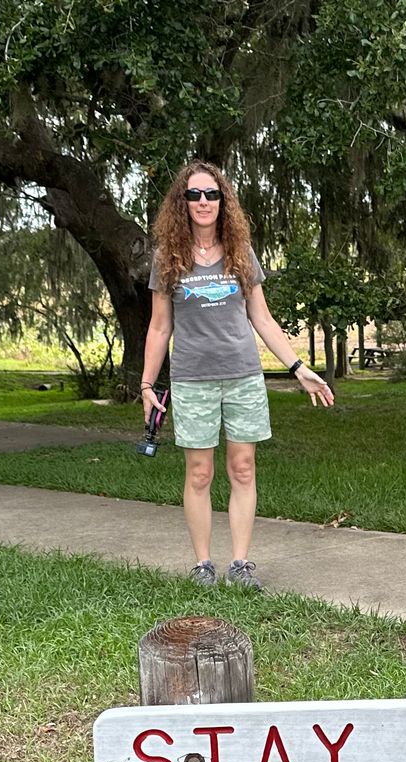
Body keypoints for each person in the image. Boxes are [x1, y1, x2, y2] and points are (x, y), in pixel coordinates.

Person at [140, 161, 334, 590]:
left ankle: (241, 564)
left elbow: (261, 318)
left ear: (223, 201)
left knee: (243, 468)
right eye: (194, 195)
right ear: (182, 203)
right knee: (199, 473)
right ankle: (203, 565)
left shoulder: (241, 254)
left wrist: (299, 369)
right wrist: (146, 384)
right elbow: (159, 326)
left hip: (243, 376)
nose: (204, 202)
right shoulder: (167, 258)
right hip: (192, 379)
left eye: (212, 194)